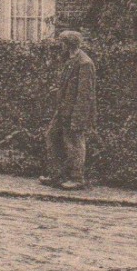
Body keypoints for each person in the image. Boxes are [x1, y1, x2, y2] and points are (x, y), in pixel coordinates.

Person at [41, 28, 96, 190]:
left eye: (62, 43)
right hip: (63, 110)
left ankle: (77, 178)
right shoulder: (70, 60)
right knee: (52, 136)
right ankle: (56, 175)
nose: (60, 46)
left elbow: (85, 95)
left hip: (75, 112)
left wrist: (78, 118)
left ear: (69, 44)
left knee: (75, 143)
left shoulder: (84, 63)